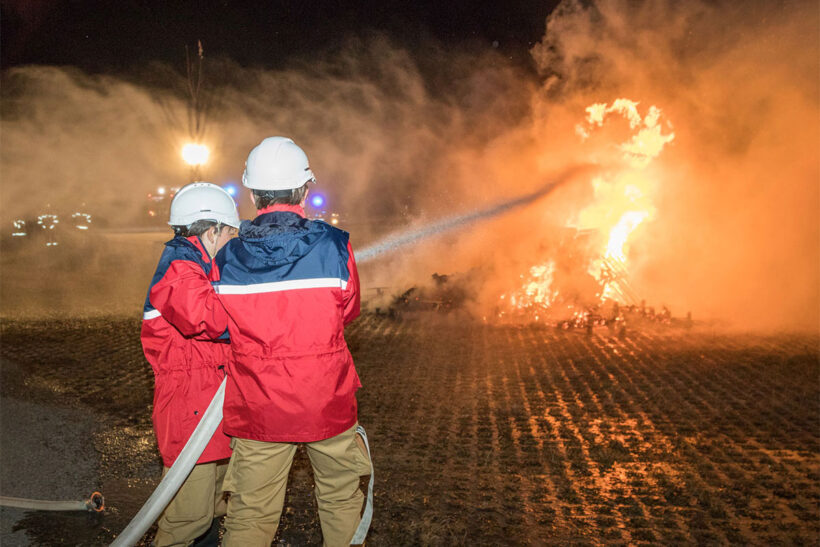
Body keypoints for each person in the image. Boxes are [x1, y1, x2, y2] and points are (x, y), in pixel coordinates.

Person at [212, 137, 371, 546]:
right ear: (304, 189)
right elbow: (348, 310)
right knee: (339, 497)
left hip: (259, 404)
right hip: (327, 399)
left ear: (252, 192)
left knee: (250, 512)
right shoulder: (336, 245)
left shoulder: (227, 259)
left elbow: (221, 324)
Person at [141, 182, 240, 546]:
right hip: (190, 409)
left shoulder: (198, 264)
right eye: (231, 232)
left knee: (214, 507)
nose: (234, 240)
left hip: (210, 406)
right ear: (212, 230)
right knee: (188, 517)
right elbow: (210, 319)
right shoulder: (179, 269)